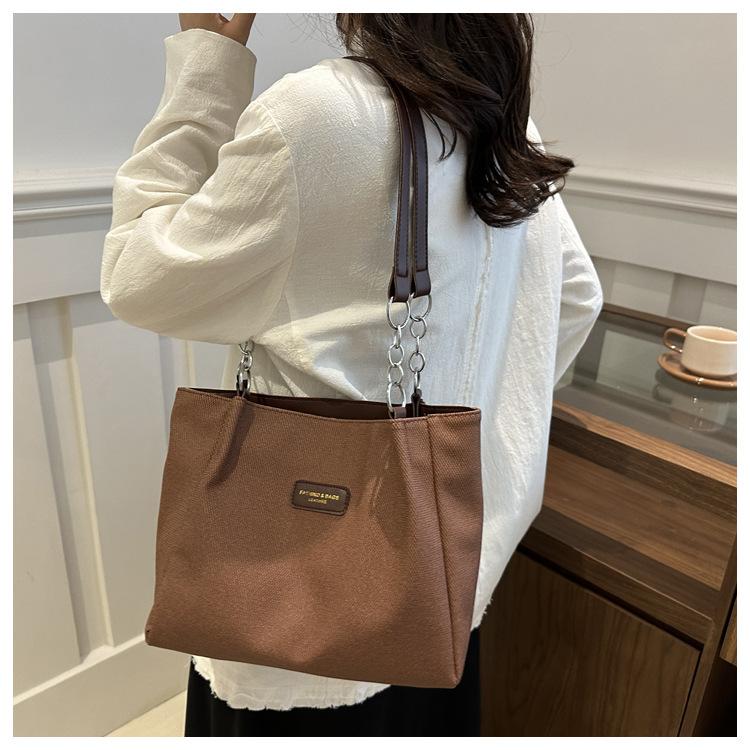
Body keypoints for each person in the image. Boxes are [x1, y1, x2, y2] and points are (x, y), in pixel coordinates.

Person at [100, 12, 603, 737]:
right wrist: (475, 414)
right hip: (444, 583)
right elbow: (575, 299)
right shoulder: (503, 121)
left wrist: (208, 64)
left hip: (294, 607)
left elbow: (134, 277)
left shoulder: (320, 114)